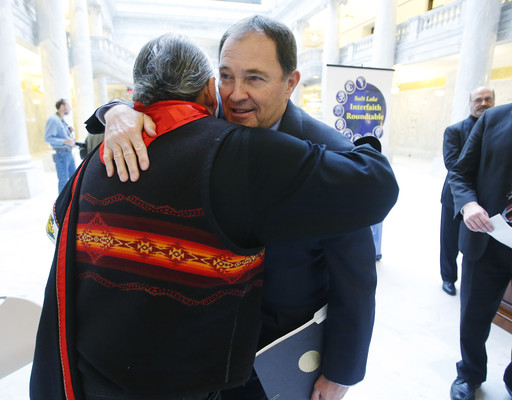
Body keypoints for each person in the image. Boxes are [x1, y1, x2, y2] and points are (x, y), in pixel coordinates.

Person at [30, 33, 399, 400]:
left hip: (278, 356)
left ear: (290, 83)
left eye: (254, 78)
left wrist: (342, 369)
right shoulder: (157, 137)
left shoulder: (326, 151)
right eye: (226, 76)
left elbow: (356, 273)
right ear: (210, 88)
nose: (236, 93)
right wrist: (113, 111)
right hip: (201, 369)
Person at [448, 101, 512, 400]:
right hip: (489, 238)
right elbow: (460, 172)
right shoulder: (495, 119)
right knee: (473, 316)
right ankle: (470, 373)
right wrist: (469, 203)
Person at [439, 87, 495, 296]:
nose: (483, 103)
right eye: (478, 100)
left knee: (478, 241)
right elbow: (452, 164)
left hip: (487, 199)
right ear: (470, 104)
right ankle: (448, 278)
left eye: (488, 99)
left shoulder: (500, 129)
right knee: (449, 241)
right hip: (455, 196)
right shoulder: (454, 131)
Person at [44, 98, 76, 192]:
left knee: (73, 179)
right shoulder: (53, 119)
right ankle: (62, 205)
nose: (70, 108)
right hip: (61, 154)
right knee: (63, 181)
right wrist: (64, 141)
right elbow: (48, 138)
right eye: (68, 106)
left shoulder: (60, 120)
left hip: (68, 153)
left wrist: (68, 131)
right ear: (62, 107)